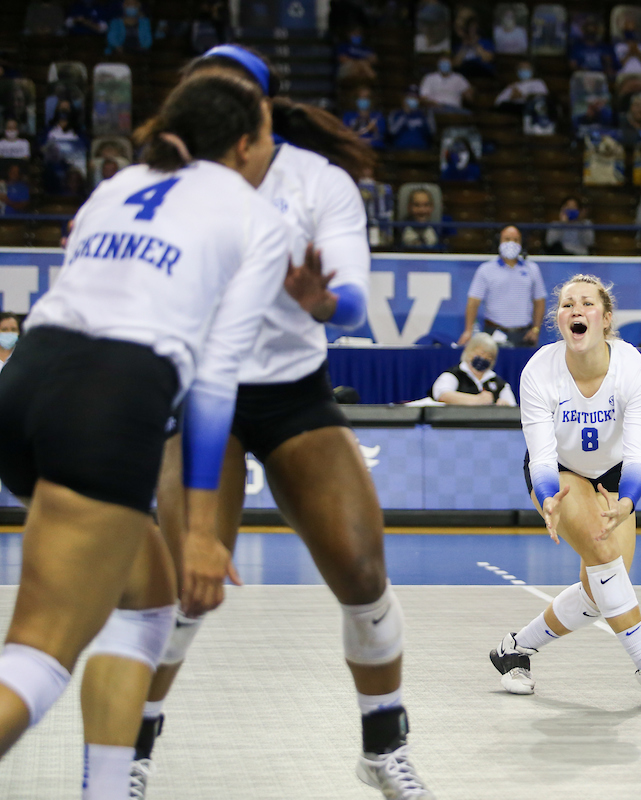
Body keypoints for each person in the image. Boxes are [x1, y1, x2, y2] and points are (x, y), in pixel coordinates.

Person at [91, 46, 435, 799]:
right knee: (185, 587)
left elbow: (349, 299)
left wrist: (319, 300)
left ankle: (383, 746)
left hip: (290, 390)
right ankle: (135, 756)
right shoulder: (159, 180)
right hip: (194, 389)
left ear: (257, 114)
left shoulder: (318, 183)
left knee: (363, 574)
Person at [0, 73, 288, 791]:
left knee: (148, 604)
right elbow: (218, 378)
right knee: (38, 653)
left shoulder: (120, 184)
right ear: (246, 145)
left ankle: (107, 786)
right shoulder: (257, 218)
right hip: (108, 400)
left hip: (24, 378)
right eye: (268, 131)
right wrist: (197, 527)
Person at [489, 274, 641, 705]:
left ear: (605, 319)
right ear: (559, 321)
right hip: (561, 475)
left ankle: (514, 650)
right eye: (567, 305)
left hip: (615, 476)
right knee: (605, 561)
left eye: (586, 304)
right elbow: (541, 457)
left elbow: (638, 457)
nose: (576, 310)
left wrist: (628, 500)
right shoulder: (539, 371)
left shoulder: (633, 368)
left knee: (600, 591)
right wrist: (546, 496)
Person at [460, 226, 545, 347]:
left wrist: (536, 329)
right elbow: (473, 302)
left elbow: (540, 301)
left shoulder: (532, 269)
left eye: (515, 240)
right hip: (493, 332)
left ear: (521, 243)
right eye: (507, 239)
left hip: (523, 334)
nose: (511, 243)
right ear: (499, 242)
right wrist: (468, 331)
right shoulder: (486, 269)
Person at [430, 333, 515, 406]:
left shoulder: (499, 383)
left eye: (489, 356)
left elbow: (512, 406)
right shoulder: (454, 375)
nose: (484, 358)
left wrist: (504, 404)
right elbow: (442, 395)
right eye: (481, 354)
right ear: (469, 351)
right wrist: (477, 400)